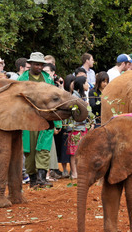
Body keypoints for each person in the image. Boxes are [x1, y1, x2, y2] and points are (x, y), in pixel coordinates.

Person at [18, 52, 62, 188]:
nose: (38, 66)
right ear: (30, 64)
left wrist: (57, 121)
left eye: (41, 64)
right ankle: (33, 179)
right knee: (29, 150)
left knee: (44, 148)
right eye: (36, 64)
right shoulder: (22, 79)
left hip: (45, 118)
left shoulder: (47, 78)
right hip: (29, 119)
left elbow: (54, 100)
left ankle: (42, 179)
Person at [67, 76, 89, 179]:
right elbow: (75, 115)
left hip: (82, 127)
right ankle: (74, 173)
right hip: (75, 128)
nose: (88, 85)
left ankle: (78, 172)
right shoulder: (74, 98)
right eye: (86, 83)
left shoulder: (81, 97)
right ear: (81, 84)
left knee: (80, 151)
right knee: (74, 152)